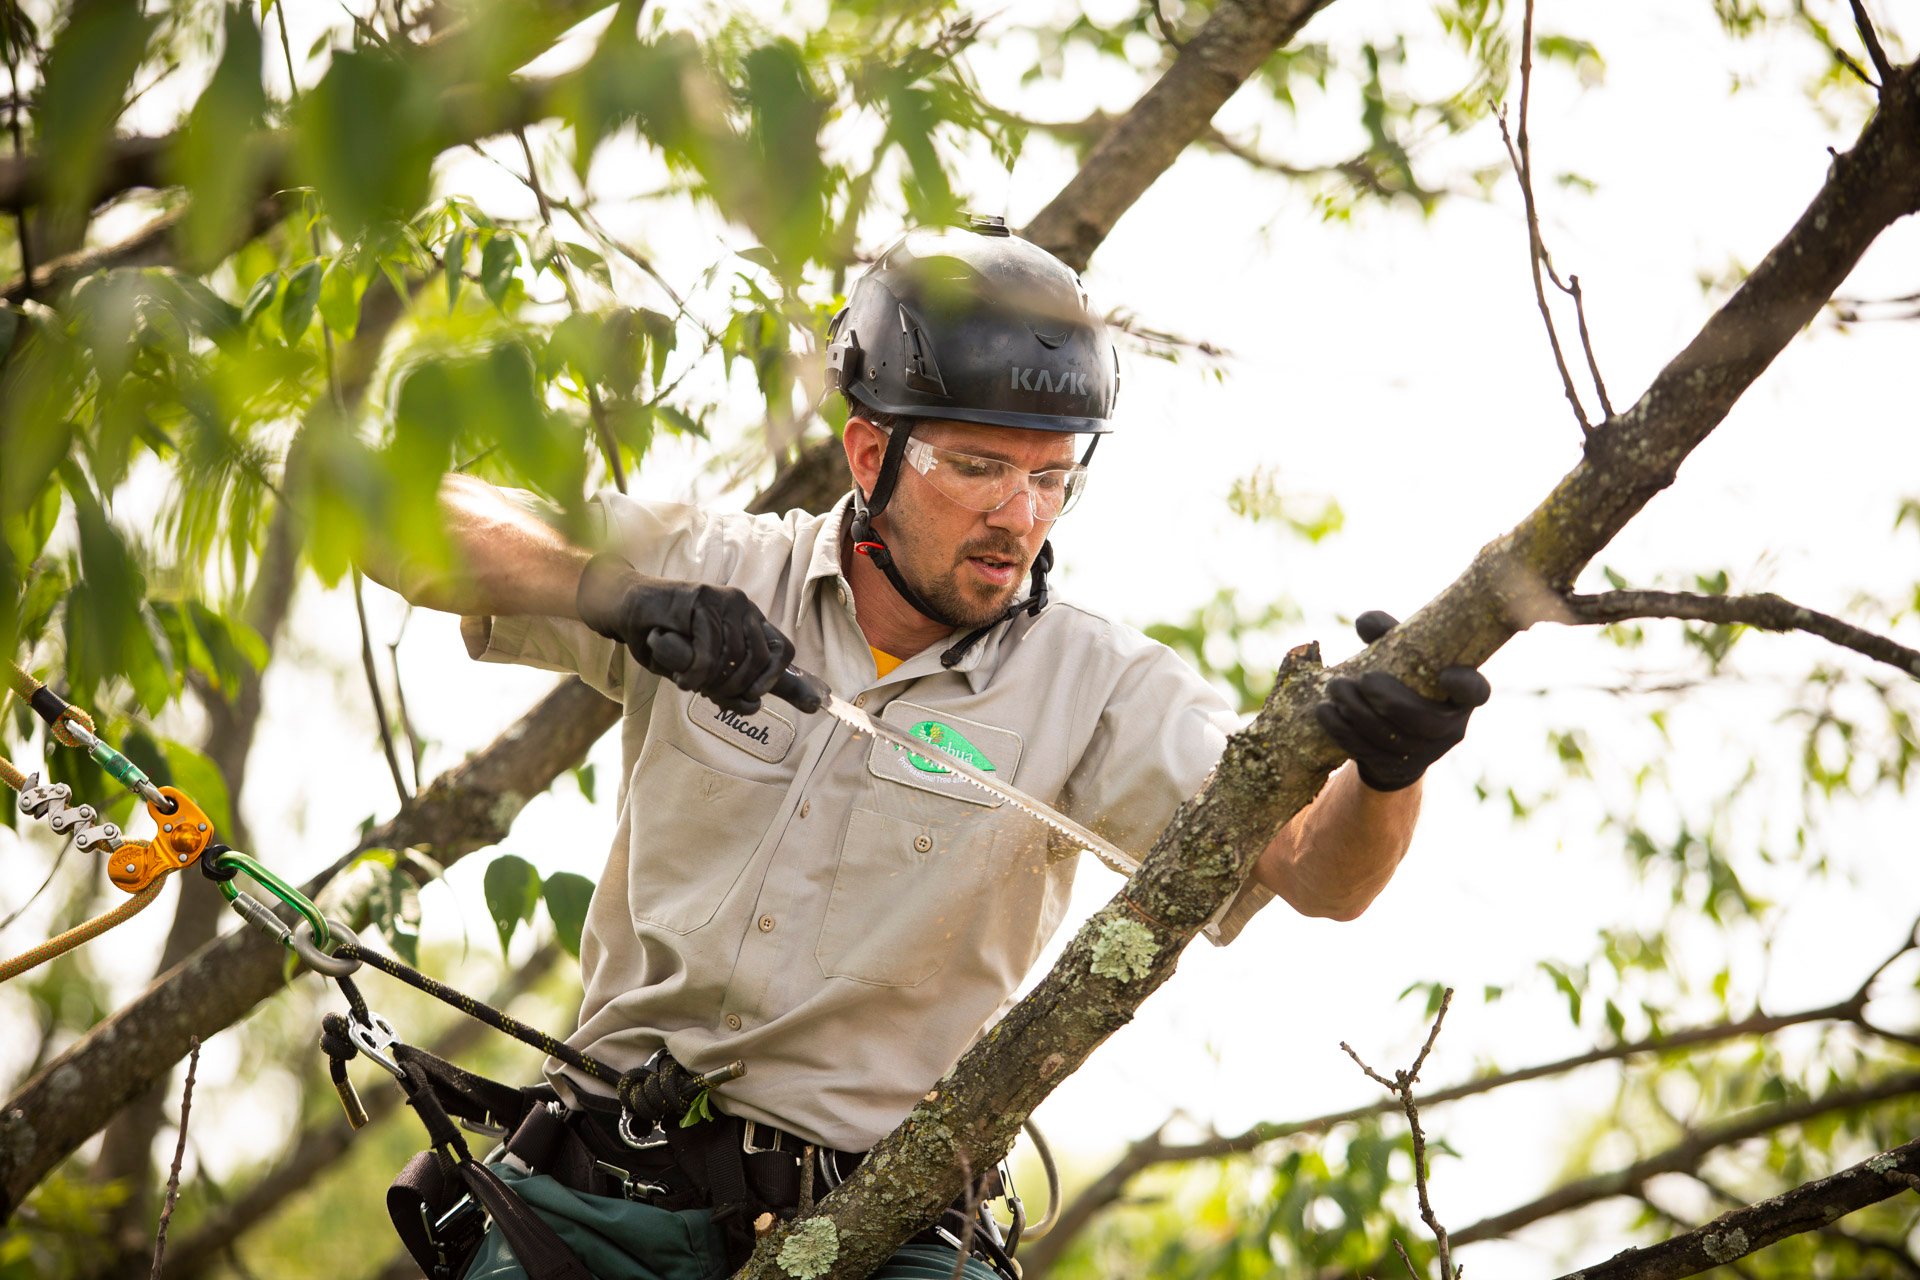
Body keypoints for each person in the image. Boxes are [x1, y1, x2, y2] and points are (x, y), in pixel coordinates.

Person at [371, 217, 1489, 1280]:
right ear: (871, 450)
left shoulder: (1101, 689)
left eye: (1051, 475)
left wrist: (1391, 770)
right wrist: (618, 594)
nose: (1019, 512)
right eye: (977, 466)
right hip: (598, 1194)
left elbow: (1317, 872)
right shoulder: (717, 564)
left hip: (884, 1232)